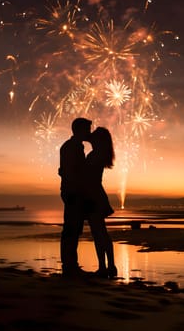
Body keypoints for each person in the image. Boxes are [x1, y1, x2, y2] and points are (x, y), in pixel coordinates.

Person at [58, 117, 92, 277]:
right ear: (79, 130)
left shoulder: (72, 146)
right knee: (72, 229)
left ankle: (70, 264)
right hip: (73, 192)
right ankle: (70, 266)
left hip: (70, 191)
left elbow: (65, 170)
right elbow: (72, 172)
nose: (89, 133)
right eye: (87, 130)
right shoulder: (73, 147)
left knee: (72, 229)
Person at [85, 127, 117, 278]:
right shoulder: (100, 154)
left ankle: (106, 267)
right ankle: (108, 266)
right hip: (97, 194)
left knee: (99, 233)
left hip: (93, 196)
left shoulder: (95, 155)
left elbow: (87, 177)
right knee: (101, 232)